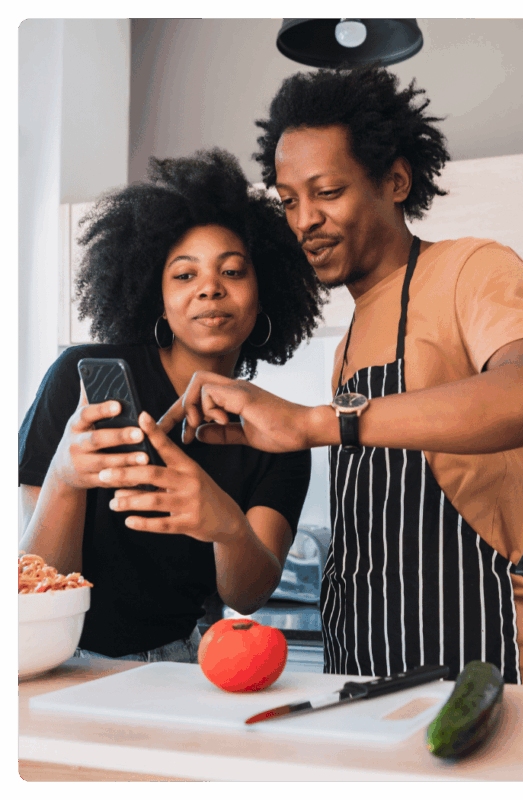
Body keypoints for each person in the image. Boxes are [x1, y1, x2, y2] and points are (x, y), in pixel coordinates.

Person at [164, 67, 523, 684]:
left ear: (394, 180)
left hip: (464, 650)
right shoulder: (354, 331)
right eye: (288, 201)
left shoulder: (471, 268)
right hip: (356, 652)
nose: (304, 219)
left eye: (326, 192)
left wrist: (312, 423)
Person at [18, 148, 326, 662]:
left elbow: (247, 596)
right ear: (155, 296)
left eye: (232, 272)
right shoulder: (80, 380)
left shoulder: (281, 434)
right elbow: (41, 581)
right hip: (60, 657)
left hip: (180, 664)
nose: (210, 288)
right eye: (185, 275)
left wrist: (227, 524)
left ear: (263, 292)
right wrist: (65, 477)